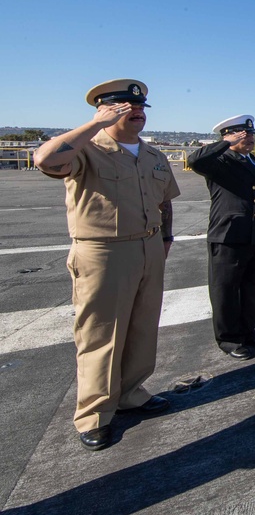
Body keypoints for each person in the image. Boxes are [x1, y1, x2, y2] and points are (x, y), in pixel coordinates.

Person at [34, 79, 180, 451]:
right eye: (124, 107)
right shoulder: (87, 150)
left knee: (143, 326)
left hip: (149, 246)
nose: (137, 113)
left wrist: (165, 239)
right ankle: (95, 413)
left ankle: (131, 393)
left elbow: (166, 203)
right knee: (100, 335)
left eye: (141, 107)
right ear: (103, 110)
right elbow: (45, 160)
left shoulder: (153, 156)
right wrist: (96, 125)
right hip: (103, 252)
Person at [189, 115, 255, 362]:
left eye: (250, 135)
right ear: (228, 136)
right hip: (228, 233)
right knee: (225, 289)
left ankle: (248, 330)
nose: (249, 139)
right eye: (242, 135)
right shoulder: (219, 162)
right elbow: (195, 160)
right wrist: (225, 143)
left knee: (252, 287)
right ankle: (228, 338)